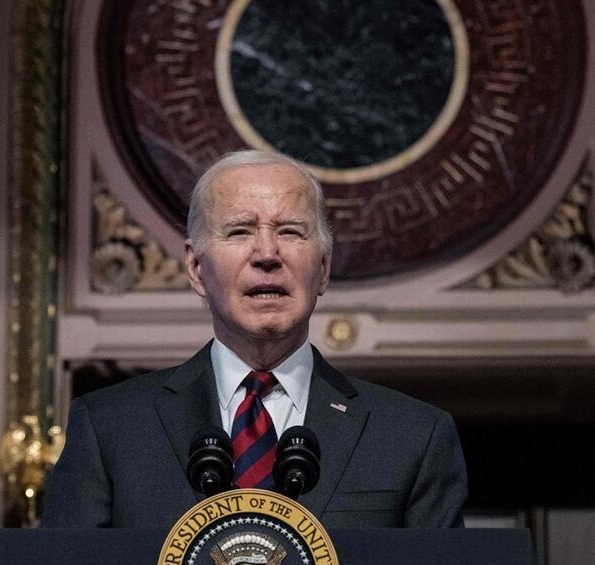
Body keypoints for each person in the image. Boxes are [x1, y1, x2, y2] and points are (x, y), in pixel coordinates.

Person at [43, 150, 467, 529]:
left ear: (322, 268)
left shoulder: (413, 437)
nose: (267, 254)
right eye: (240, 231)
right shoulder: (110, 430)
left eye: (290, 232)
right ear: (195, 268)